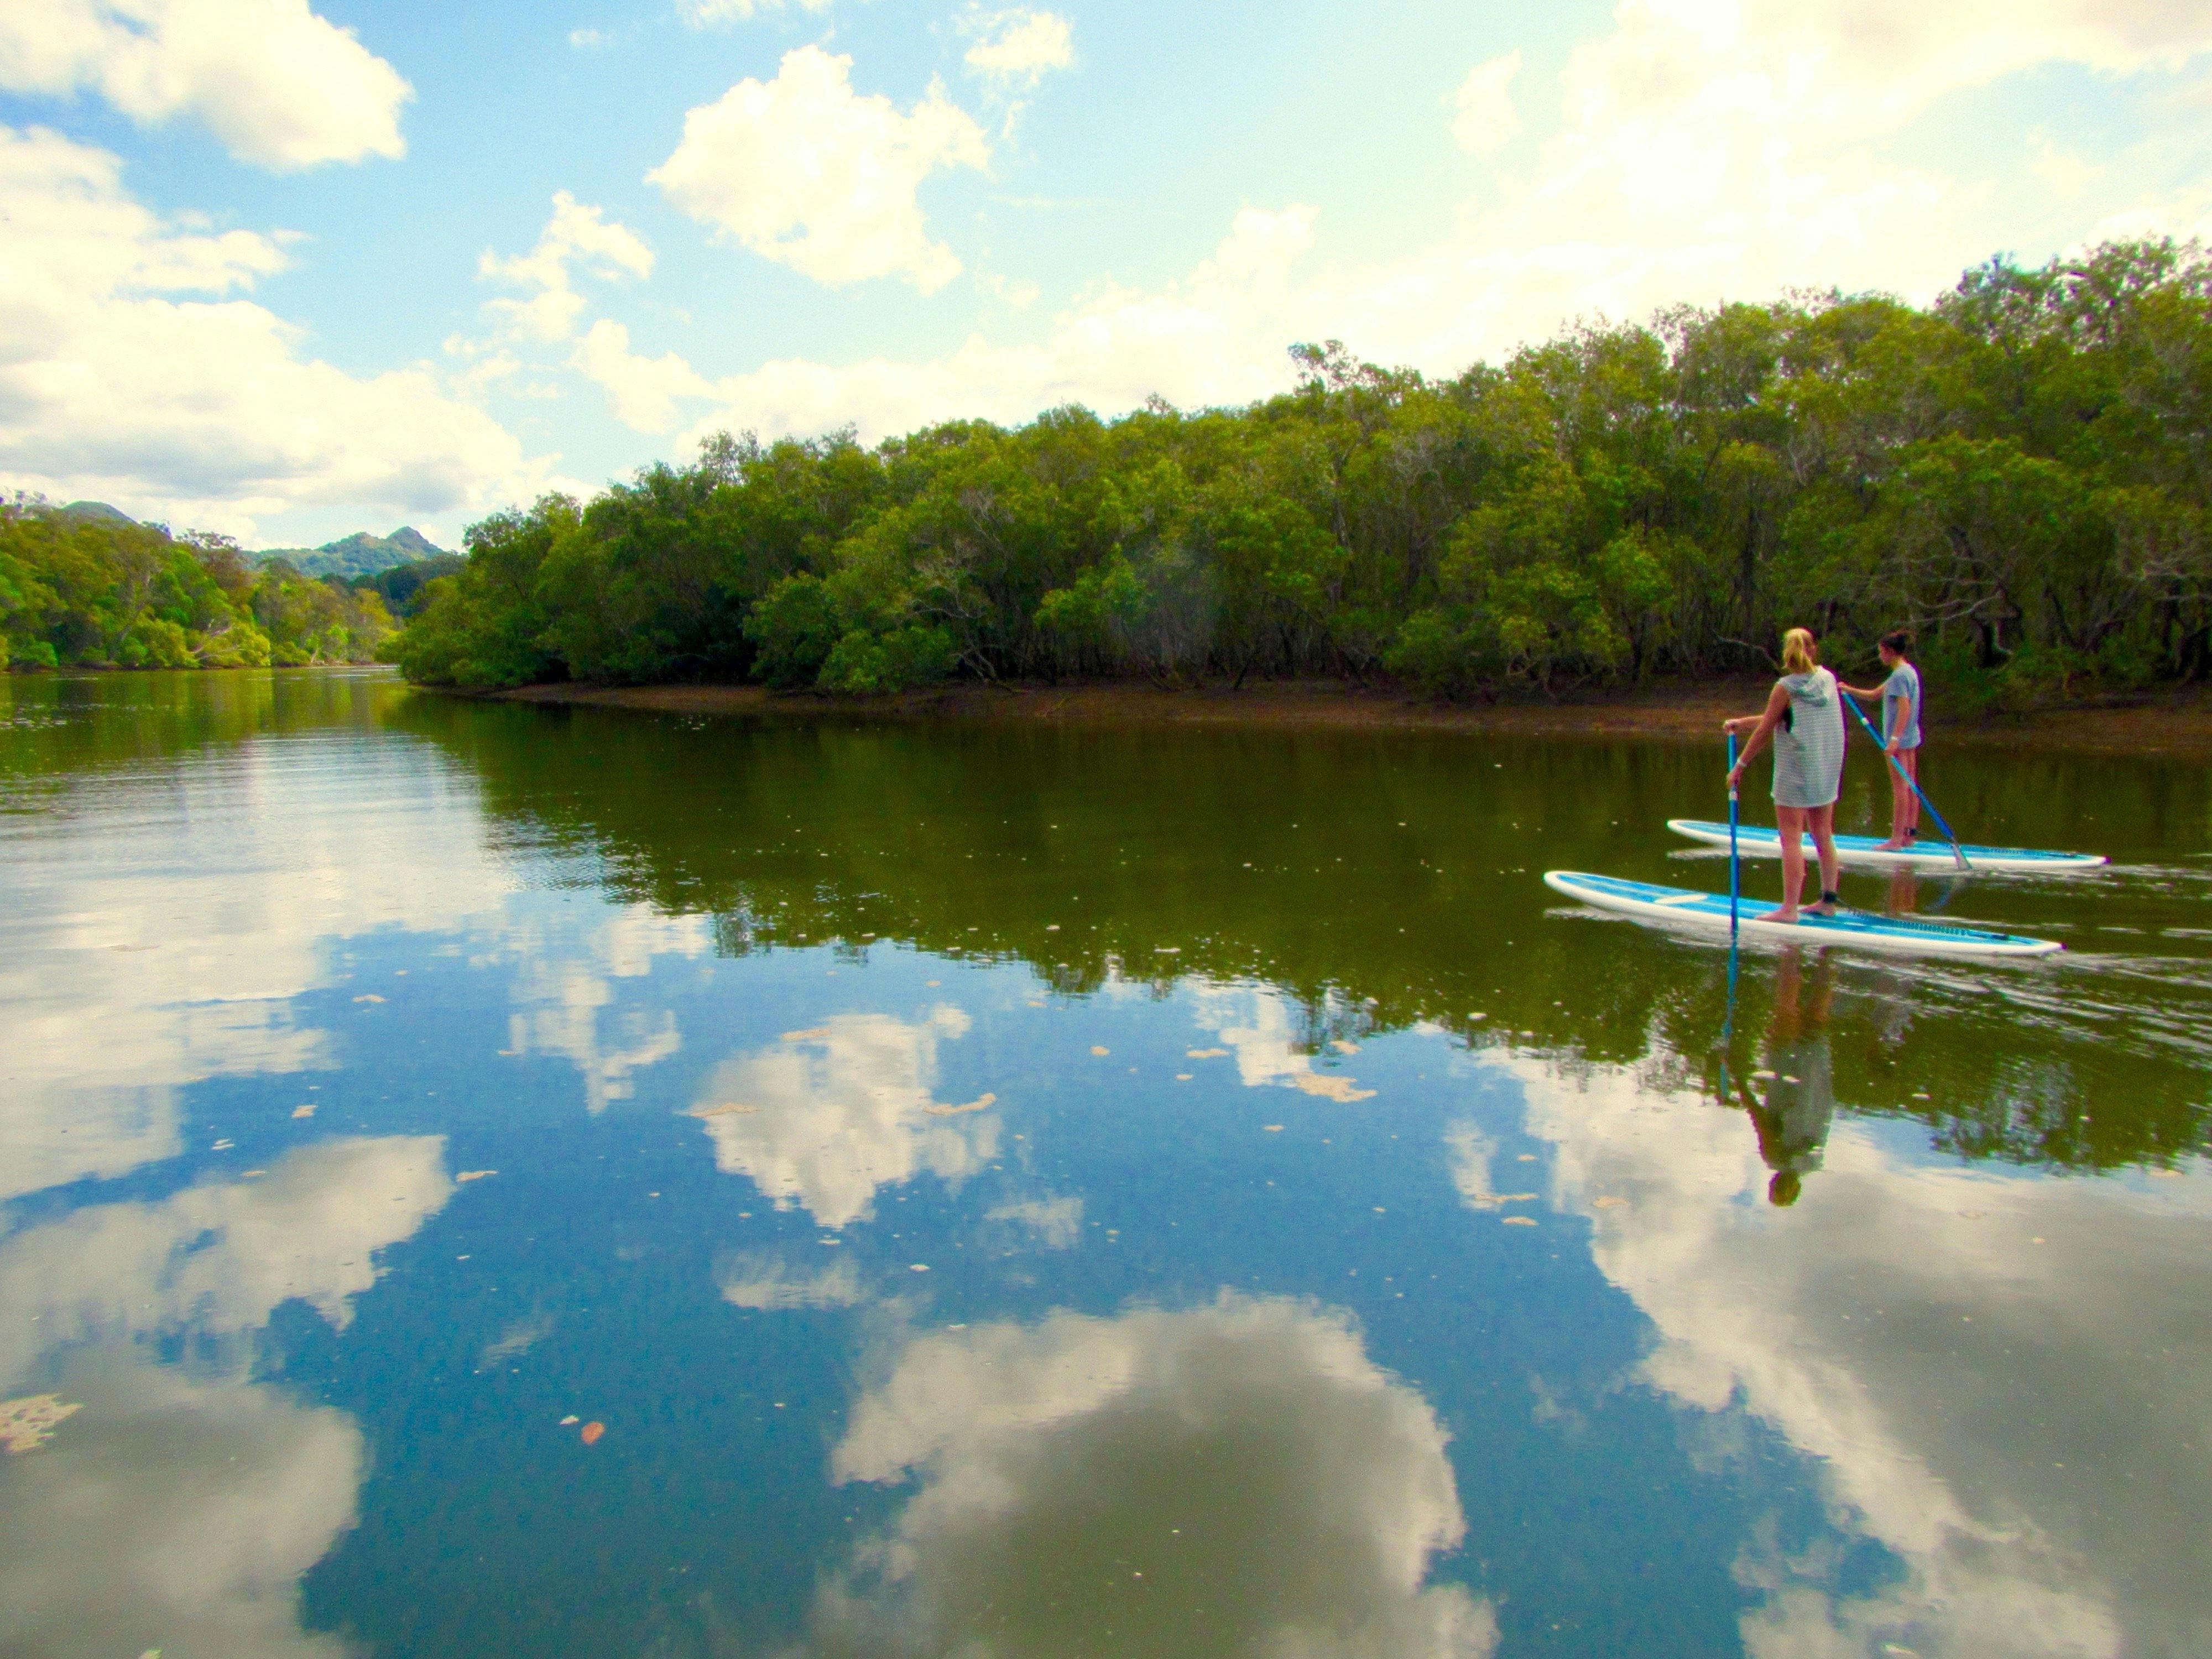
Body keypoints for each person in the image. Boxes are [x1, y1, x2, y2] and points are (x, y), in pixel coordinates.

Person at [1725, 627, 1845, 921]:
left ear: (1786, 654)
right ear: (1813, 650)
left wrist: (1739, 766)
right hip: (1825, 768)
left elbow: (1767, 729)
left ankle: (1789, 909)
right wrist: (1742, 722)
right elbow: (1774, 718)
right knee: (1823, 834)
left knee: (1791, 839)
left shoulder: (1786, 687)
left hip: (1796, 772)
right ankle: (1828, 902)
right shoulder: (1828, 679)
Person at [1842, 629, 1922, 851]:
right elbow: (1876, 694)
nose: (1880, 657)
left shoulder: (1899, 676)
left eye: (1881, 653)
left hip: (1900, 739)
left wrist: (1895, 739)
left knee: (1900, 788)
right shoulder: (1908, 671)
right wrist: (1847, 689)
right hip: (1911, 737)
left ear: (1890, 652)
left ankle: (1897, 840)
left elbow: (1904, 707)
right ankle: (1909, 835)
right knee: (1910, 786)